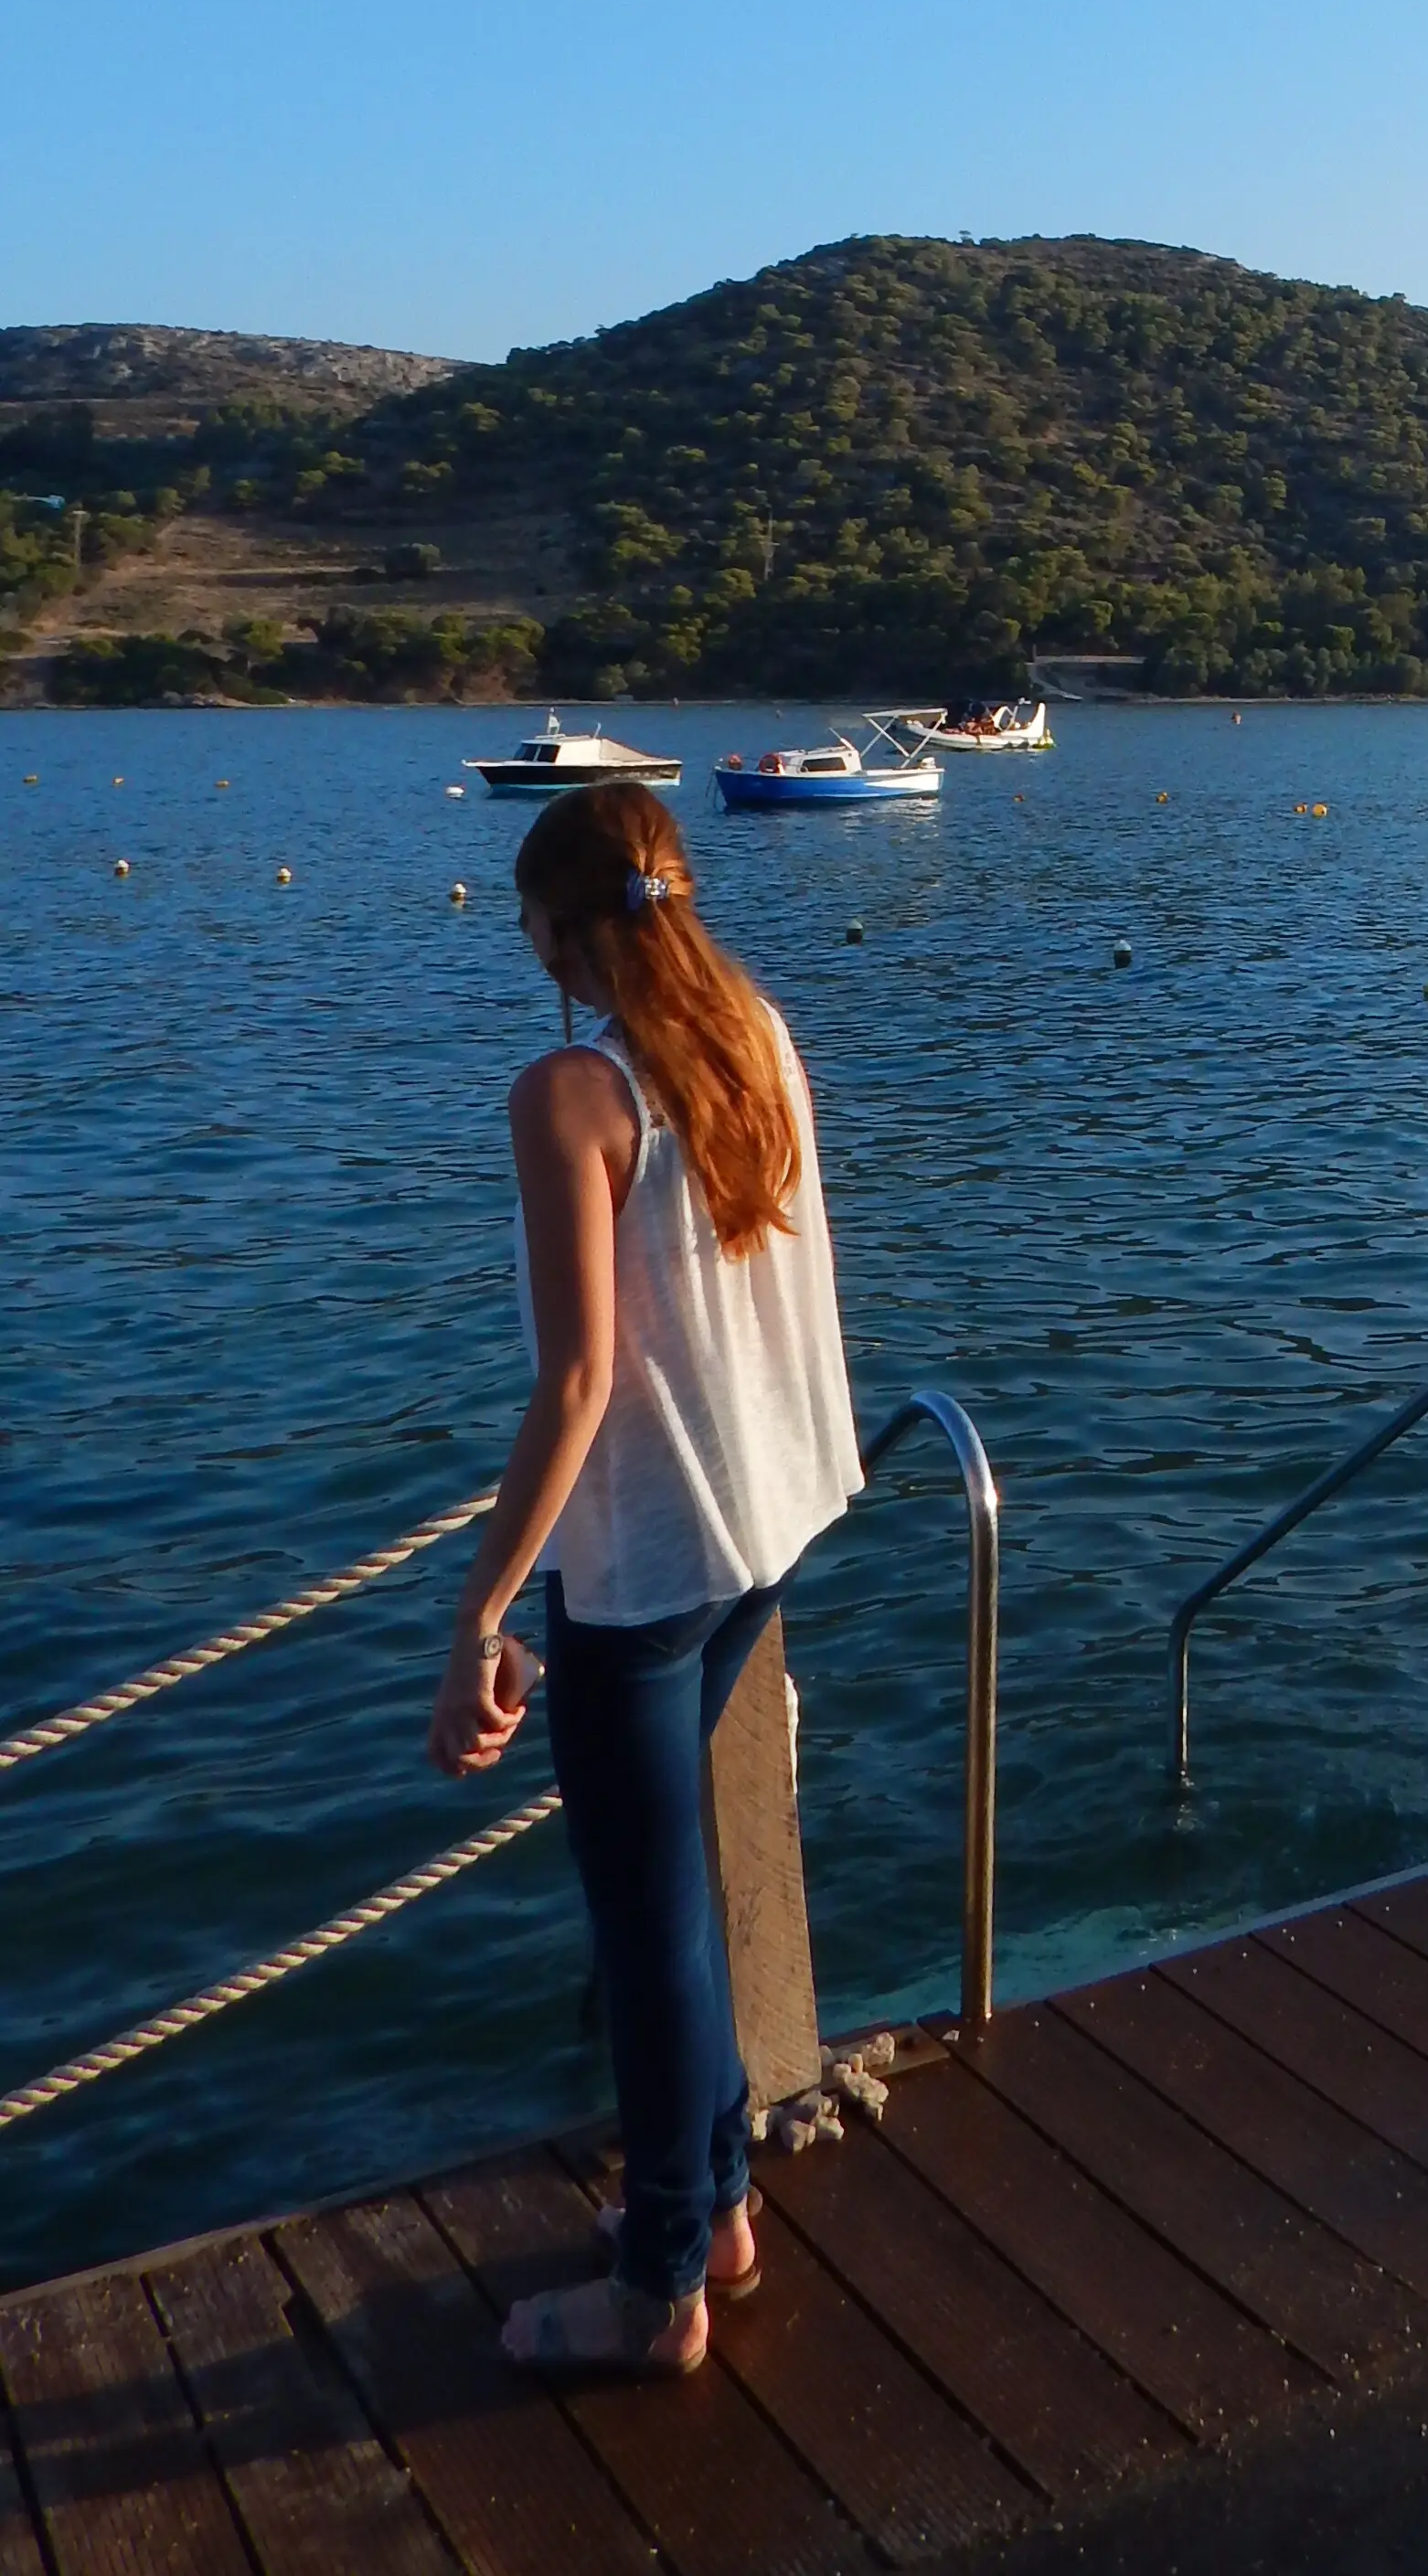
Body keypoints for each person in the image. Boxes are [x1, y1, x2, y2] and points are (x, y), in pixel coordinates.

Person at [427, 777, 860, 2379]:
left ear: (554, 937)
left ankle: (659, 2289)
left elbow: (577, 1384)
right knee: (668, 1904)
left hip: (644, 1571)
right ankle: (717, 2208)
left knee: (651, 1921)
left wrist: (480, 1610)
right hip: (764, 1527)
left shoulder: (571, 1096)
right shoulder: (752, 1035)